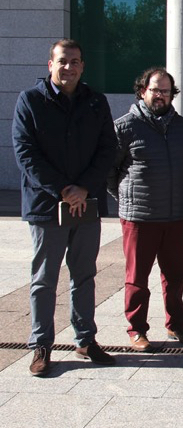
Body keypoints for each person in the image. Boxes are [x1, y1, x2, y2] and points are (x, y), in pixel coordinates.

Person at [11, 39, 118, 376]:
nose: (69, 67)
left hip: (86, 204)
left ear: (82, 66)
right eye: (62, 61)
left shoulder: (96, 101)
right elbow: (25, 152)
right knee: (44, 279)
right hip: (46, 206)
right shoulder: (30, 100)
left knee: (84, 275)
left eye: (75, 62)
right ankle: (41, 345)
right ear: (50, 65)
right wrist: (62, 188)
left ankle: (85, 340)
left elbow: (108, 148)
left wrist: (83, 188)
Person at [107, 68, 183, 352]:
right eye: (155, 89)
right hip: (140, 217)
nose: (160, 95)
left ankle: (176, 325)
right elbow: (109, 171)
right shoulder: (124, 126)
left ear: (172, 94)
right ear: (142, 91)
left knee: (177, 274)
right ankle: (137, 330)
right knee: (137, 278)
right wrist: (127, 199)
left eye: (166, 91)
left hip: (176, 215)